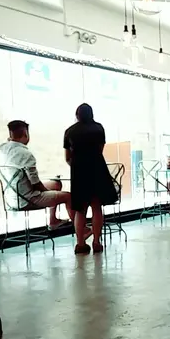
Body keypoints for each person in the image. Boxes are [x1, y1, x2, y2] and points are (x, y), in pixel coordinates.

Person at [64, 103, 118, 255]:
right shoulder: (98, 128)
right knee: (96, 207)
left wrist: (77, 166)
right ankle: (96, 242)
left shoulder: (70, 131)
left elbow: (67, 157)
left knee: (80, 210)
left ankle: (80, 244)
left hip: (79, 172)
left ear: (77, 115)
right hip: (97, 169)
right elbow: (100, 150)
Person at [0, 120, 72, 229]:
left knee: (55, 184)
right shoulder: (25, 154)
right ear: (26, 134)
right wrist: (47, 192)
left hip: (12, 198)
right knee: (68, 196)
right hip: (27, 199)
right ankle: (81, 229)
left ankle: (53, 221)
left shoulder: (3, 150)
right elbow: (36, 183)